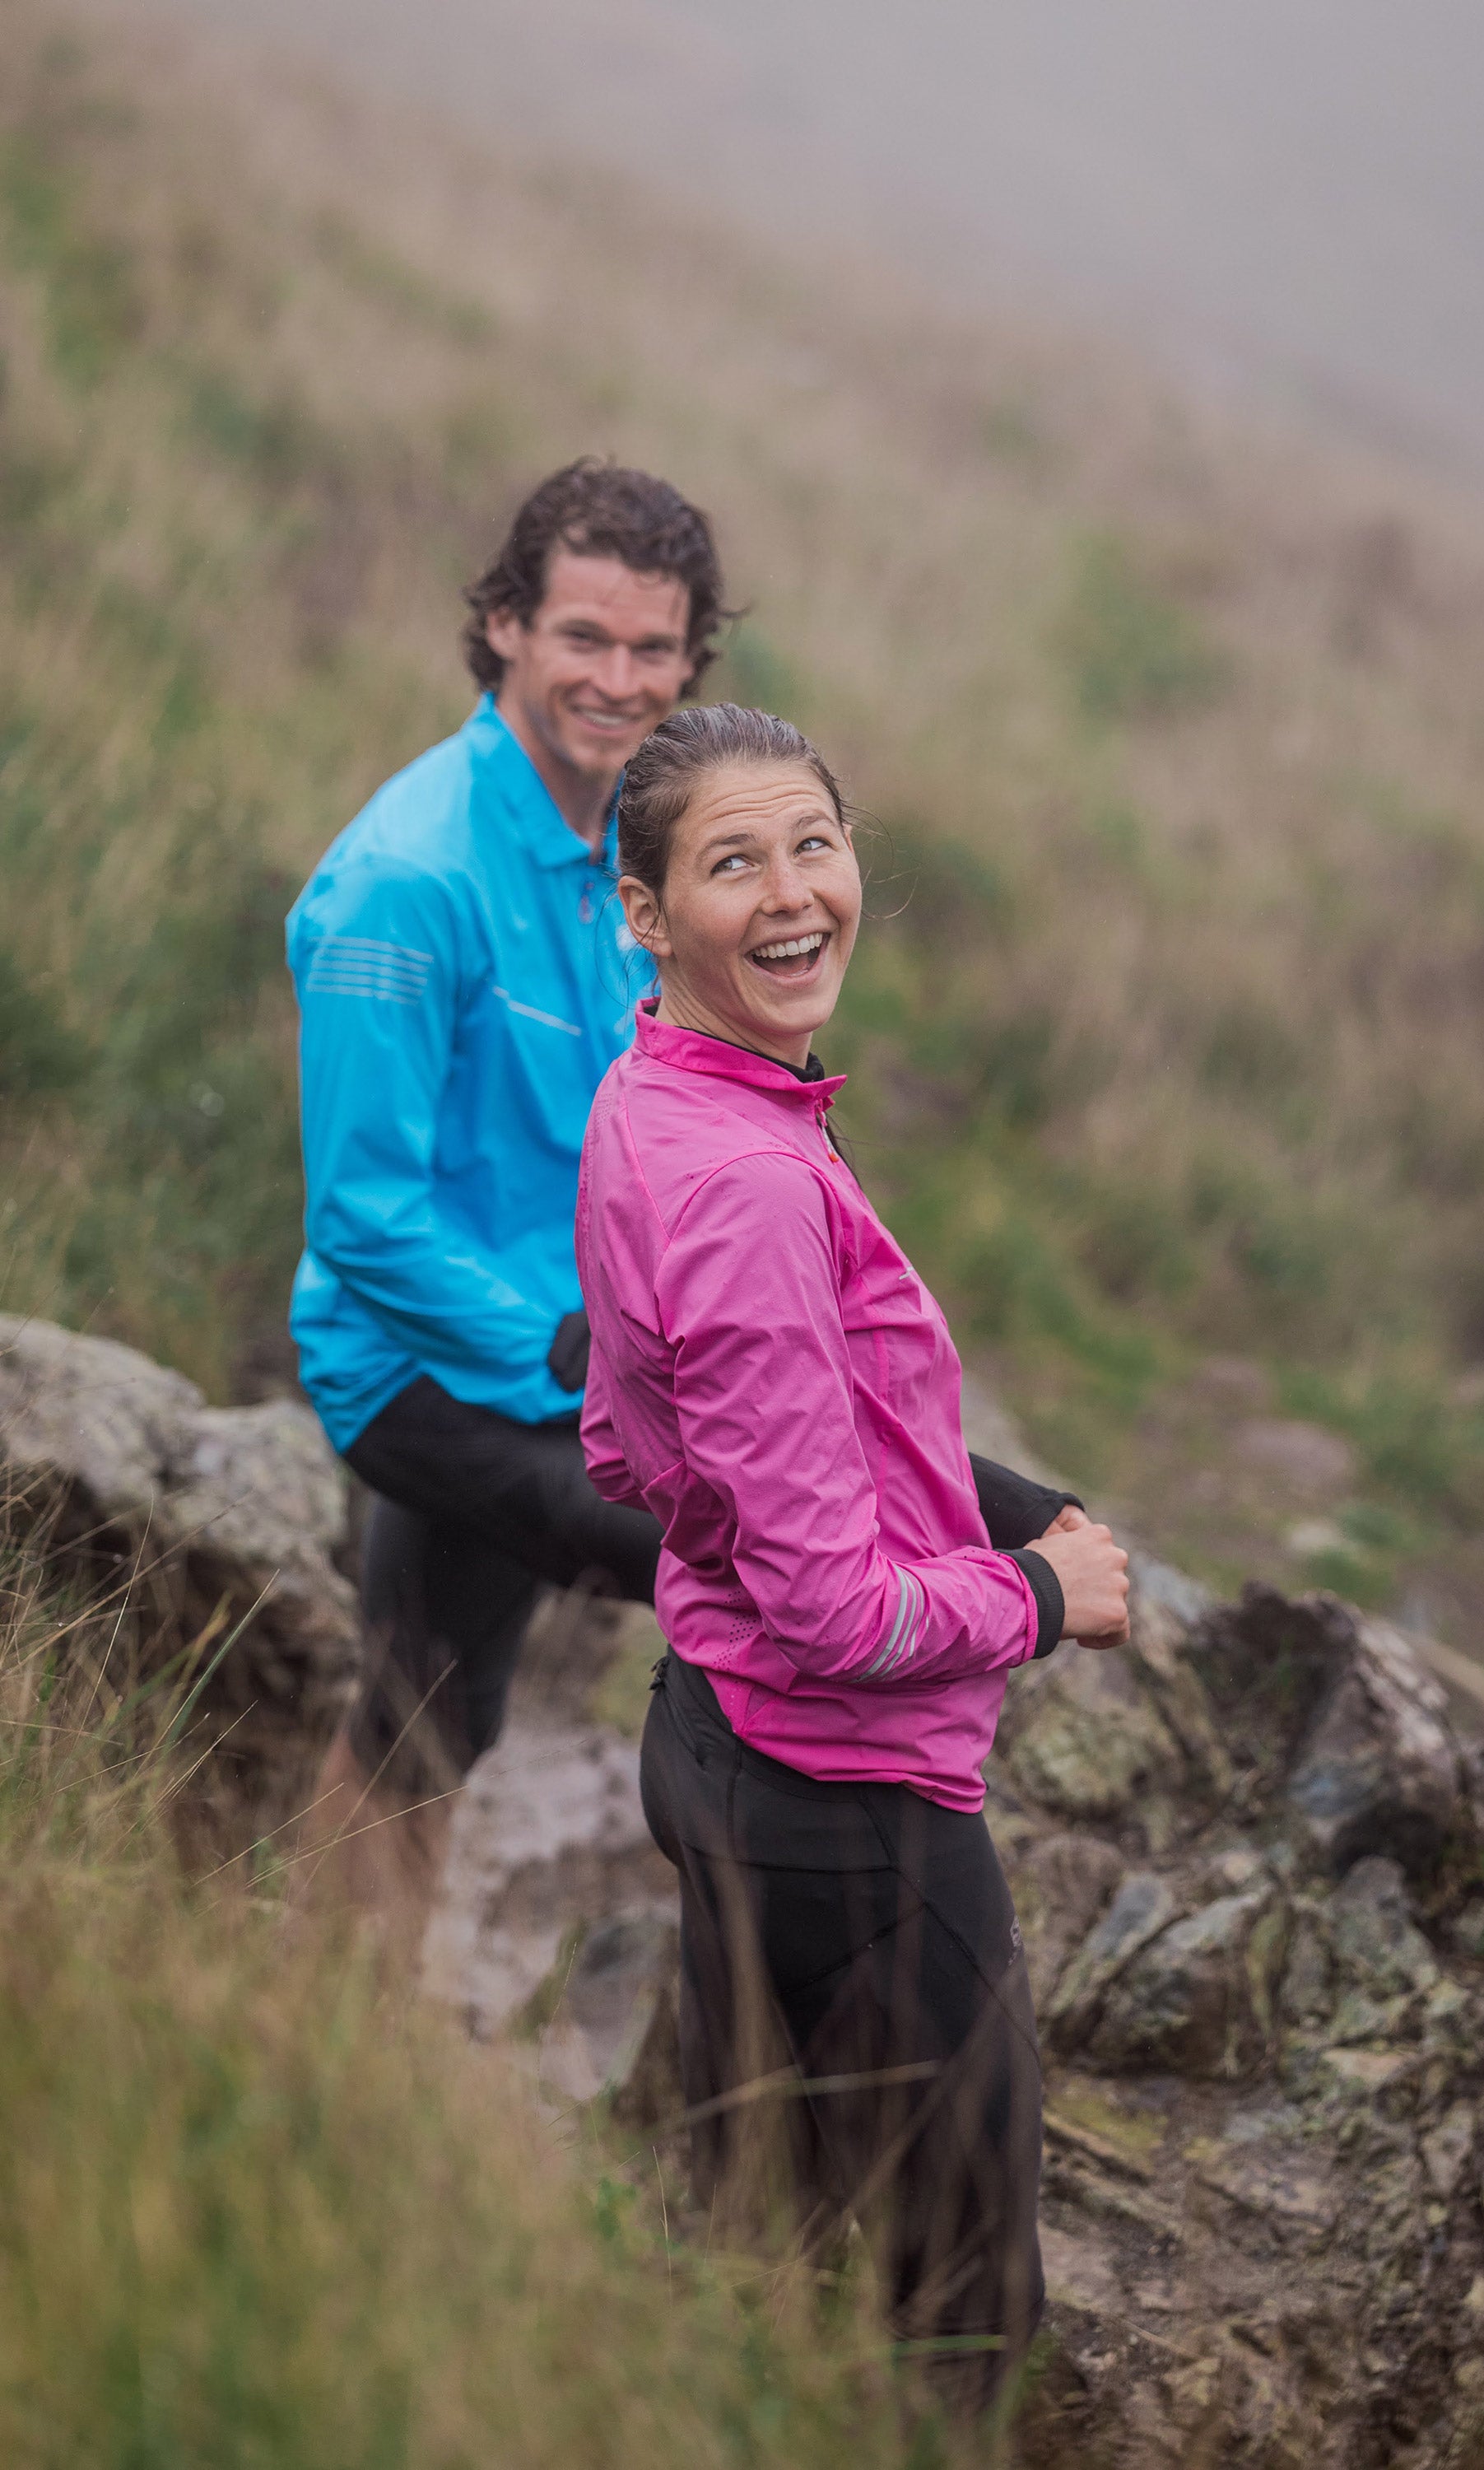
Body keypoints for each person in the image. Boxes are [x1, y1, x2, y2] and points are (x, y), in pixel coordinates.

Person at [576, 703, 1131, 2415]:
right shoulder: (751, 1182)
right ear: (646, 913)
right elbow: (829, 1610)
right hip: (851, 1817)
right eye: (733, 862)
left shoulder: (654, 1095)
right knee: (959, 2322)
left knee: (754, 2253)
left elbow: (638, 1435)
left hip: (712, 1741)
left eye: (813, 843)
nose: (794, 892)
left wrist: (997, 1498)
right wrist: (1043, 1596)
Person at [286, 460, 729, 1948]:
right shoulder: (407, 882)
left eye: (654, 647)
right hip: (425, 1371)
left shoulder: (630, 846)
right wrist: (572, 1353)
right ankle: (751, 1998)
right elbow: (363, 1218)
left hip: (577, 1353)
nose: (620, 680)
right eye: (583, 637)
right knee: (751, 1576)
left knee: (427, 1715)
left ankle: (313, 2007)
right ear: (505, 628)